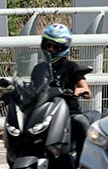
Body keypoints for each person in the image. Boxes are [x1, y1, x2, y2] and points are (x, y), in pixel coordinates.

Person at [38, 23, 93, 153]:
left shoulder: (71, 67)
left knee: (81, 122)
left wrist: (82, 90)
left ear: (63, 48)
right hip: (44, 111)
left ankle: (83, 162)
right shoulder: (39, 68)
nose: (50, 49)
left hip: (68, 112)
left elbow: (87, 91)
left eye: (55, 47)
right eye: (48, 45)